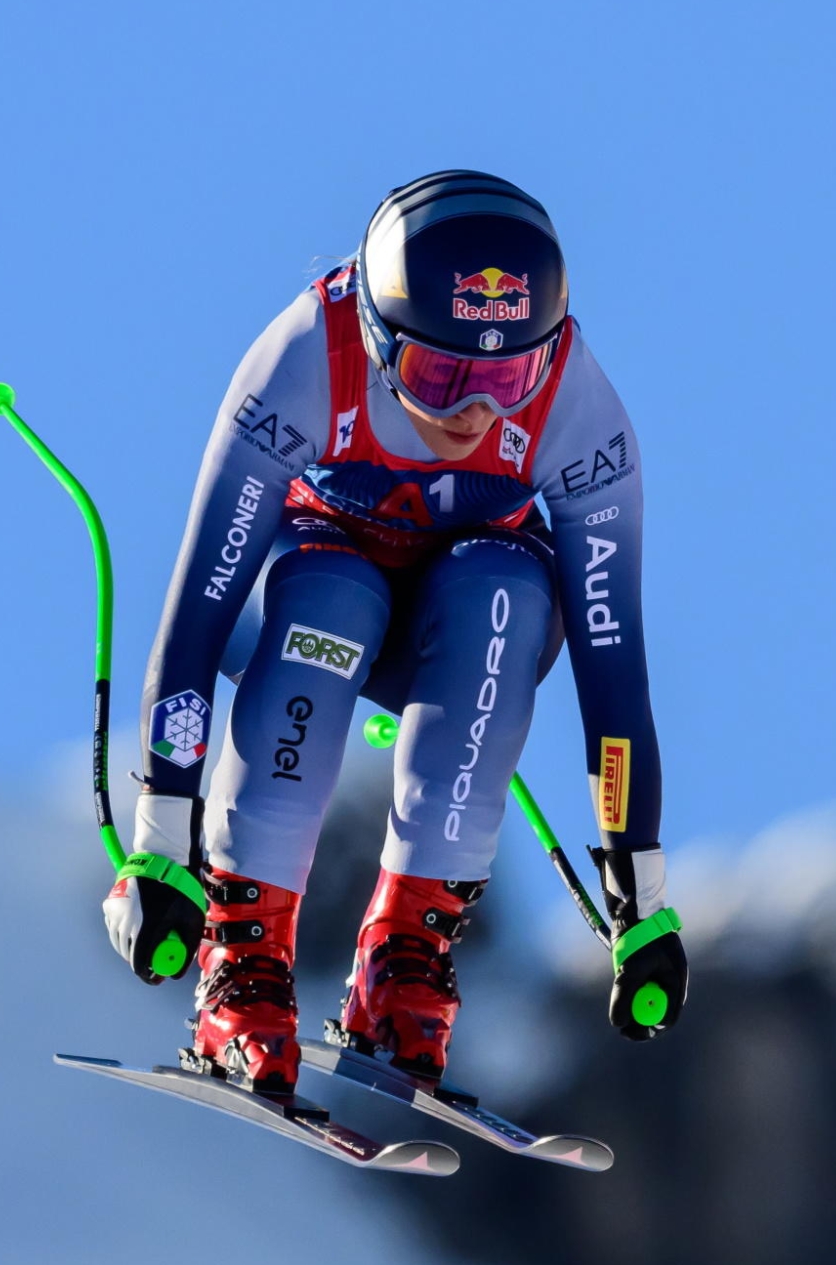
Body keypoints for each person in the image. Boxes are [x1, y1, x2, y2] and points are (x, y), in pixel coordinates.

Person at [99, 171, 686, 1096]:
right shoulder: (302, 359)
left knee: (505, 597)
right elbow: (199, 614)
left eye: (506, 375)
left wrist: (641, 911)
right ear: (376, 338)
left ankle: (403, 960)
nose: (473, 410)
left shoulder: (582, 413)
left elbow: (616, 680)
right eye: (438, 372)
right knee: (332, 605)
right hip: (310, 594)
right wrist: (158, 844)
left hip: (468, 618)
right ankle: (242, 963)